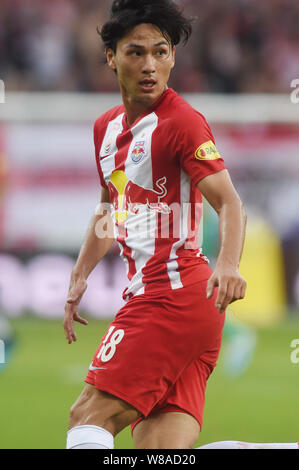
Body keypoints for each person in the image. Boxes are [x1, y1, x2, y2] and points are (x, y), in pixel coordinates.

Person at [64, 0, 247, 450]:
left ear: (173, 57)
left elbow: (230, 203)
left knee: (87, 415)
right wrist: (80, 274)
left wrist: (228, 263)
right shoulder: (105, 128)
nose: (150, 65)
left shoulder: (182, 122)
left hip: (172, 295)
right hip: (183, 305)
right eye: (136, 52)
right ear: (111, 57)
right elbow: (109, 208)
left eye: (161, 52)